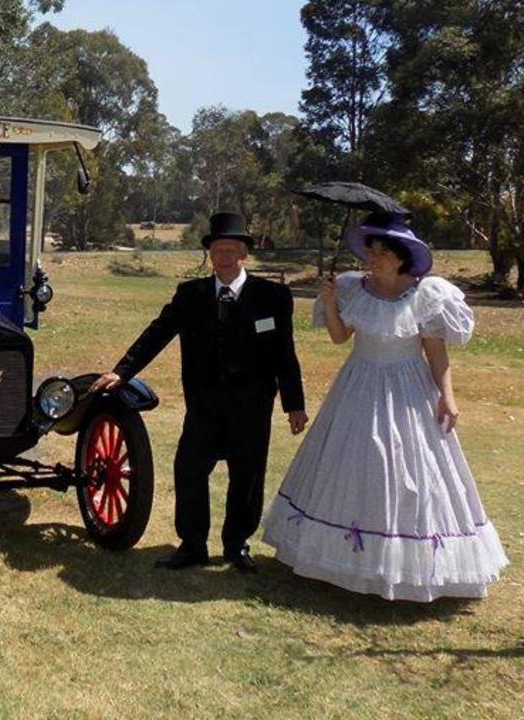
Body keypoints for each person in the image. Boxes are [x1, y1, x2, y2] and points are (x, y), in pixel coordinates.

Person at [262, 213, 507, 601]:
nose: (372, 257)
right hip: (358, 384)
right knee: (356, 461)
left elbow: (436, 354)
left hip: (409, 387)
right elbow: (341, 339)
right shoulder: (352, 288)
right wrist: (330, 304)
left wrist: (448, 395)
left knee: (411, 470)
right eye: (371, 250)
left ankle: (409, 562)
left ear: (400, 258)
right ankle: (345, 560)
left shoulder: (426, 295)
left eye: (381, 251)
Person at [92, 212, 307, 573]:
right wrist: (122, 371)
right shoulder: (189, 295)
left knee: (247, 477)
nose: (223, 257)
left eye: (231, 250)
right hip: (204, 405)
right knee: (188, 470)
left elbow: (284, 353)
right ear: (209, 254)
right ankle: (192, 545)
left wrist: (294, 405)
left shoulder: (272, 297)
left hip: (251, 407)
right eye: (217, 250)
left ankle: (236, 545)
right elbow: (157, 333)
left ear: (244, 255)